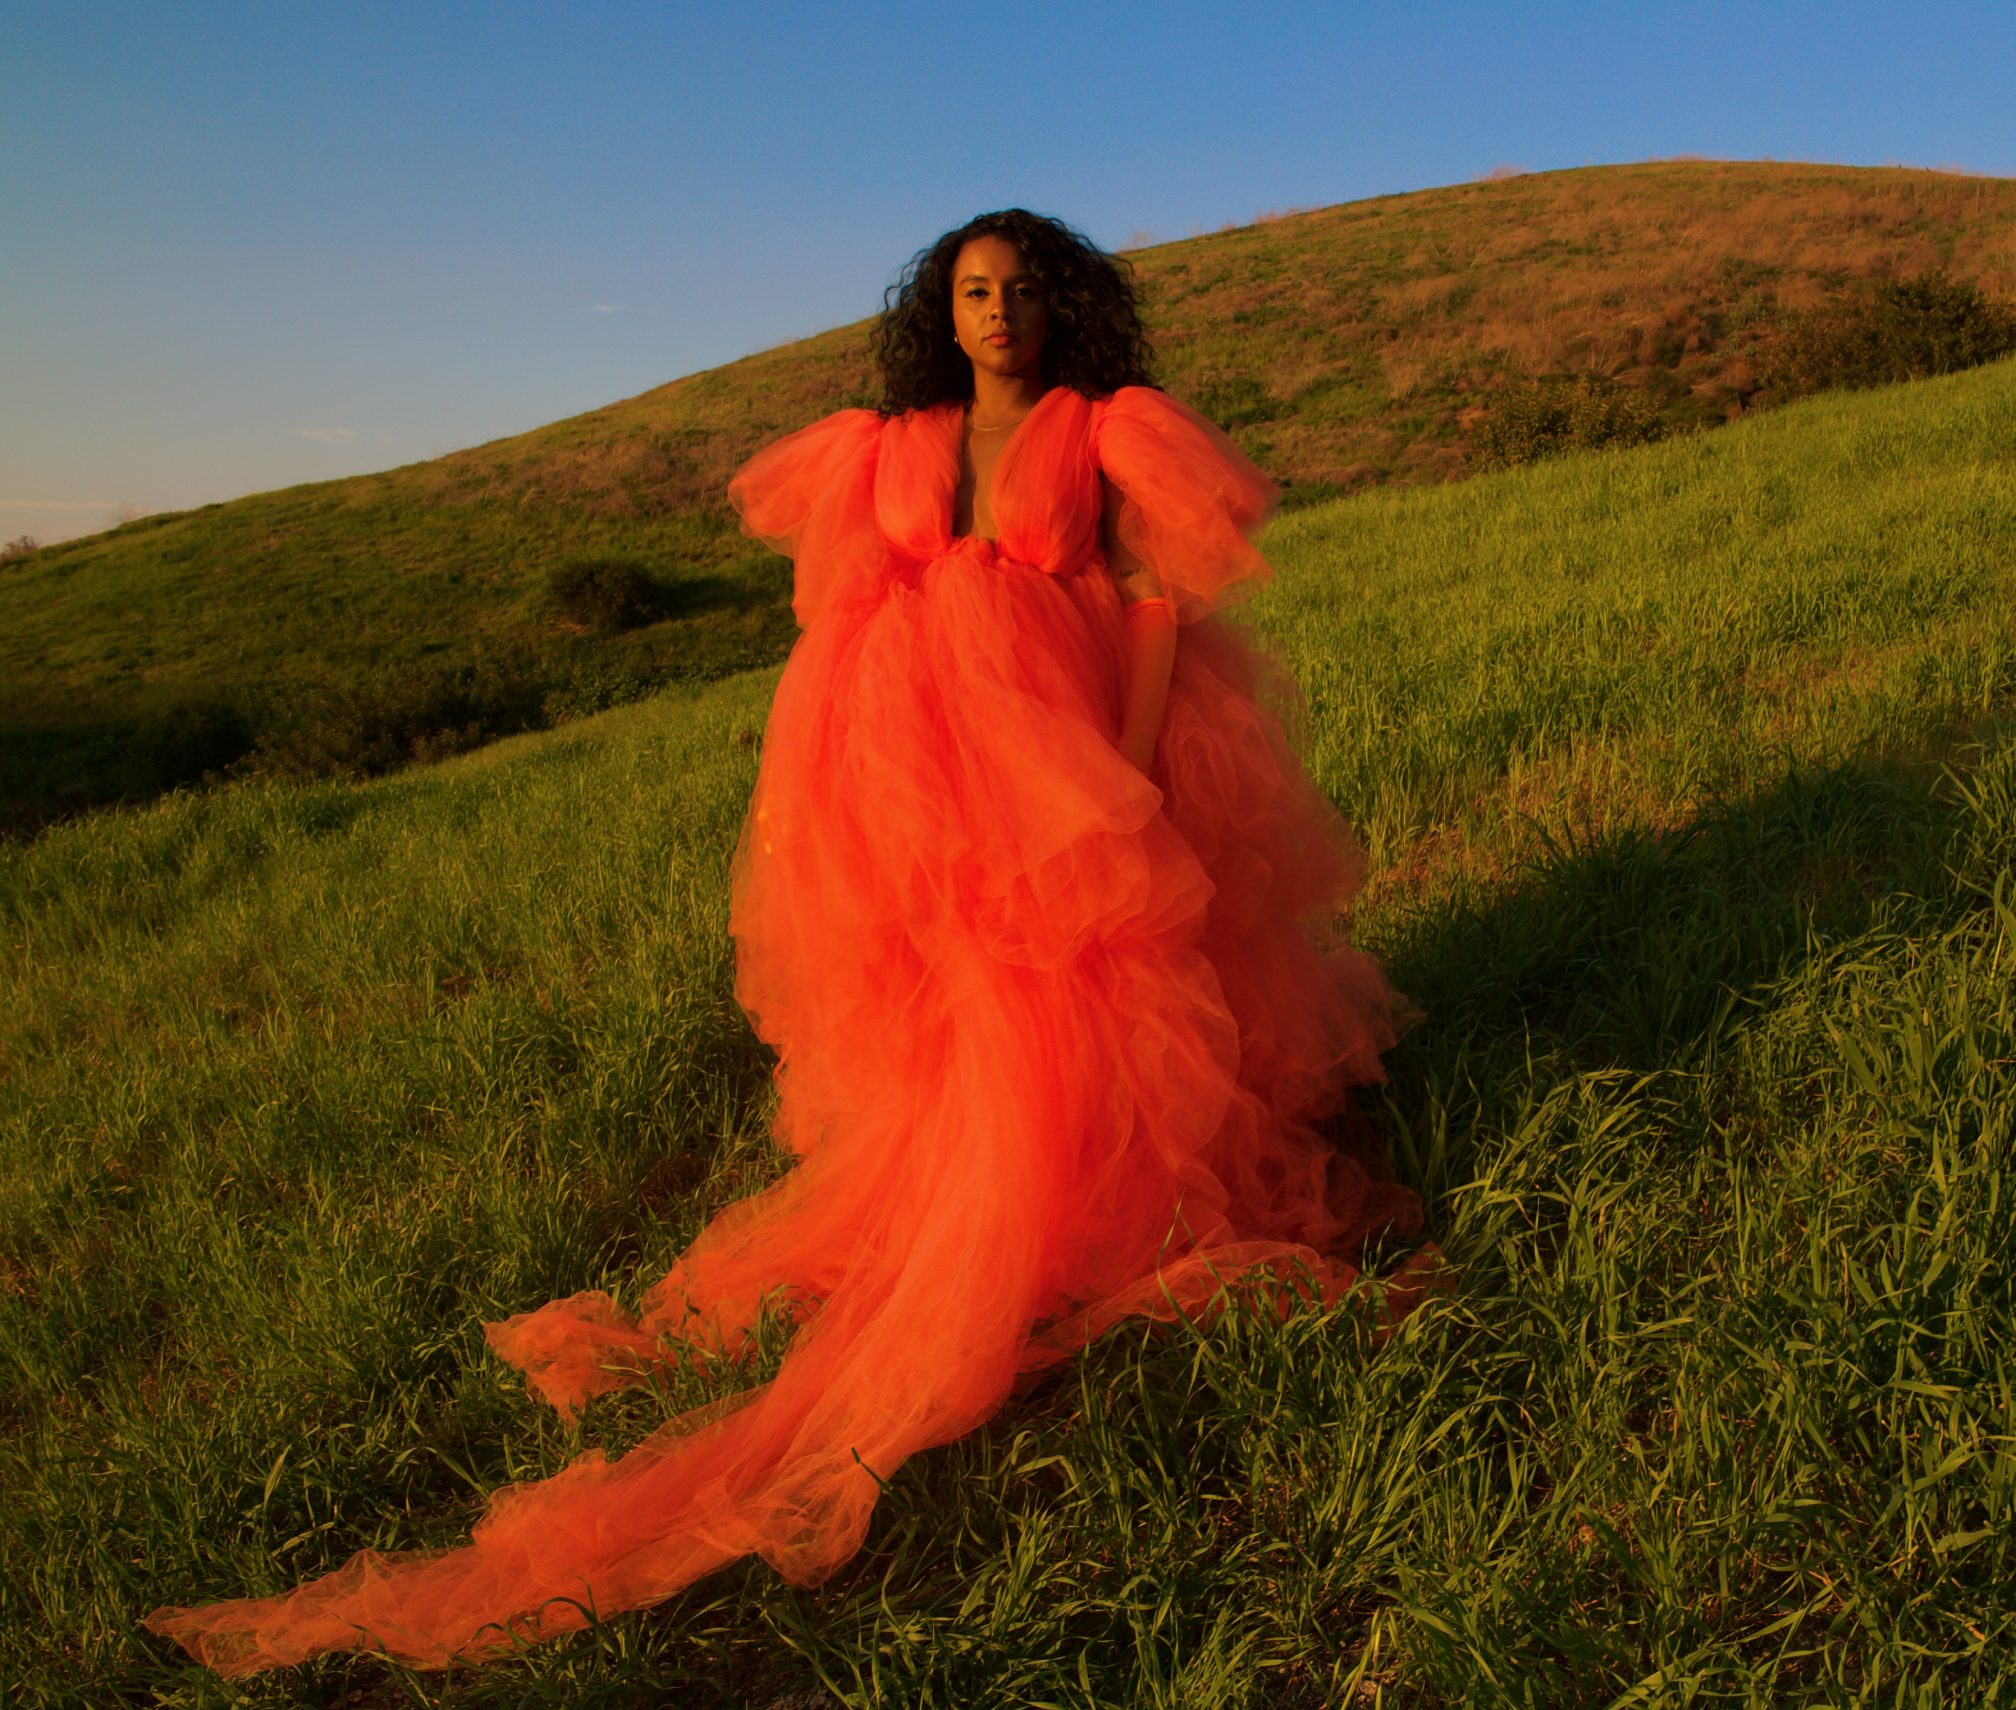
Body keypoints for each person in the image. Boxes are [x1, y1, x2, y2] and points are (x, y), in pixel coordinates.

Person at [143, 208, 1437, 1679]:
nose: (999, 310)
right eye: (973, 290)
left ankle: (1084, 1189)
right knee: (969, 1007)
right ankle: (996, 1178)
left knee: (1089, 979)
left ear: (1057, 303)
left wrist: (1124, 771)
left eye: (1020, 289)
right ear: (942, 313)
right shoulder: (884, 445)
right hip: (925, 781)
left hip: (1072, 753)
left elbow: (1147, 600)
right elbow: (849, 626)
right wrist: (848, 807)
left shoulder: (1105, 426)